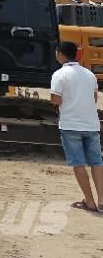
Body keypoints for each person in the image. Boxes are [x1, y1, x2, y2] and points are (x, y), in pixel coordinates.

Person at [51, 40, 103, 213]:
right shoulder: (90, 75)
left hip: (70, 125)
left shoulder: (59, 74)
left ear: (60, 54)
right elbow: (94, 98)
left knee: (78, 163)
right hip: (91, 124)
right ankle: (102, 201)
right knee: (97, 162)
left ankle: (89, 202)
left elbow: (56, 100)